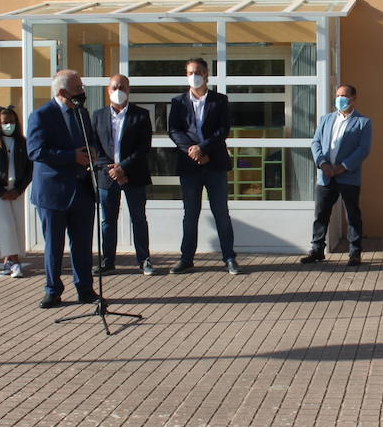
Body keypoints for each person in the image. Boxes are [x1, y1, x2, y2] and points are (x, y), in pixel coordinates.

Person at [28, 69, 101, 307]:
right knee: (54, 245)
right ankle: (53, 290)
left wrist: (91, 153)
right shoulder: (41, 116)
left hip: (82, 189)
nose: (82, 92)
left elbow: (89, 141)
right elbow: (36, 151)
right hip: (53, 192)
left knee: (82, 244)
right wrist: (72, 156)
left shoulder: (81, 113)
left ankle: (85, 289)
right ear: (62, 92)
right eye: (77, 88)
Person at [168, 58, 242, 275]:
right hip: (190, 166)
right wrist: (192, 150)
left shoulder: (220, 100)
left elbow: (223, 130)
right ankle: (186, 258)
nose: (195, 75)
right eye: (191, 72)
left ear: (207, 74)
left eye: (199, 71)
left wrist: (204, 149)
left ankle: (229, 257)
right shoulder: (178, 102)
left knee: (221, 213)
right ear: (186, 75)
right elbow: (174, 130)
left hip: (215, 164)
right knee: (190, 214)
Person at [300, 84, 373, 267]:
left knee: (352, 215)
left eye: (344, 96)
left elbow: (363, 149)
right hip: (326, 176)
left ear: (353, 99)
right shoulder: (326, 119)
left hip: (348, 176)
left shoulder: (363, 122)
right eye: (338, 95)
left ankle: (354, 252)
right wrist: (323, 164)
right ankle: (317, 249)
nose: (340, 99)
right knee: (321, 214)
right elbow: (315, 142)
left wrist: (342, 167)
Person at [93, 74, 155, 276]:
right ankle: (108, 262)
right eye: (114, 87)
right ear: (108, 91)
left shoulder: (141, 115)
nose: (118, 91)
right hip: (107, 177)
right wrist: (112, 170)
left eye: (122, 87)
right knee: (107, 221)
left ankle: (144, 260)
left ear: (128, 90)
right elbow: (95, 148)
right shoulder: (98, 115)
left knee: (138, 218)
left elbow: (144, 147)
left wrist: (123, 168)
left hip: (134, 175)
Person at [0, 105, 32, 278]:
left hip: (16, 190)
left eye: (11, 122)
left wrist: (19, 188)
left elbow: (29, 168)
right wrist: (0, 190)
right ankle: (14, 261)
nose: (8, 125)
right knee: (6, 225)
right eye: (4, 122)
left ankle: (9, 260)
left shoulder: (22, 142)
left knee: (17, 225)